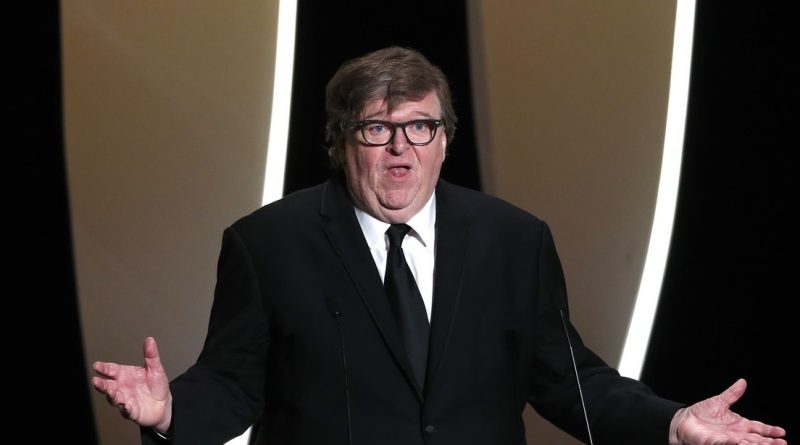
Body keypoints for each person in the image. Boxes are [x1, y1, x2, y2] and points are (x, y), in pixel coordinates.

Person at [92, 46, 787, 445]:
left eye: (420, 127)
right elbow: (232, 384)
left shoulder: (514, 240)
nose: (401, 147)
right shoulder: (267, 243)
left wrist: (672, 422)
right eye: (377, 128)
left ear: (445, 139)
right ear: (340, 142)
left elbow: (570, 381)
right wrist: (170, 411)